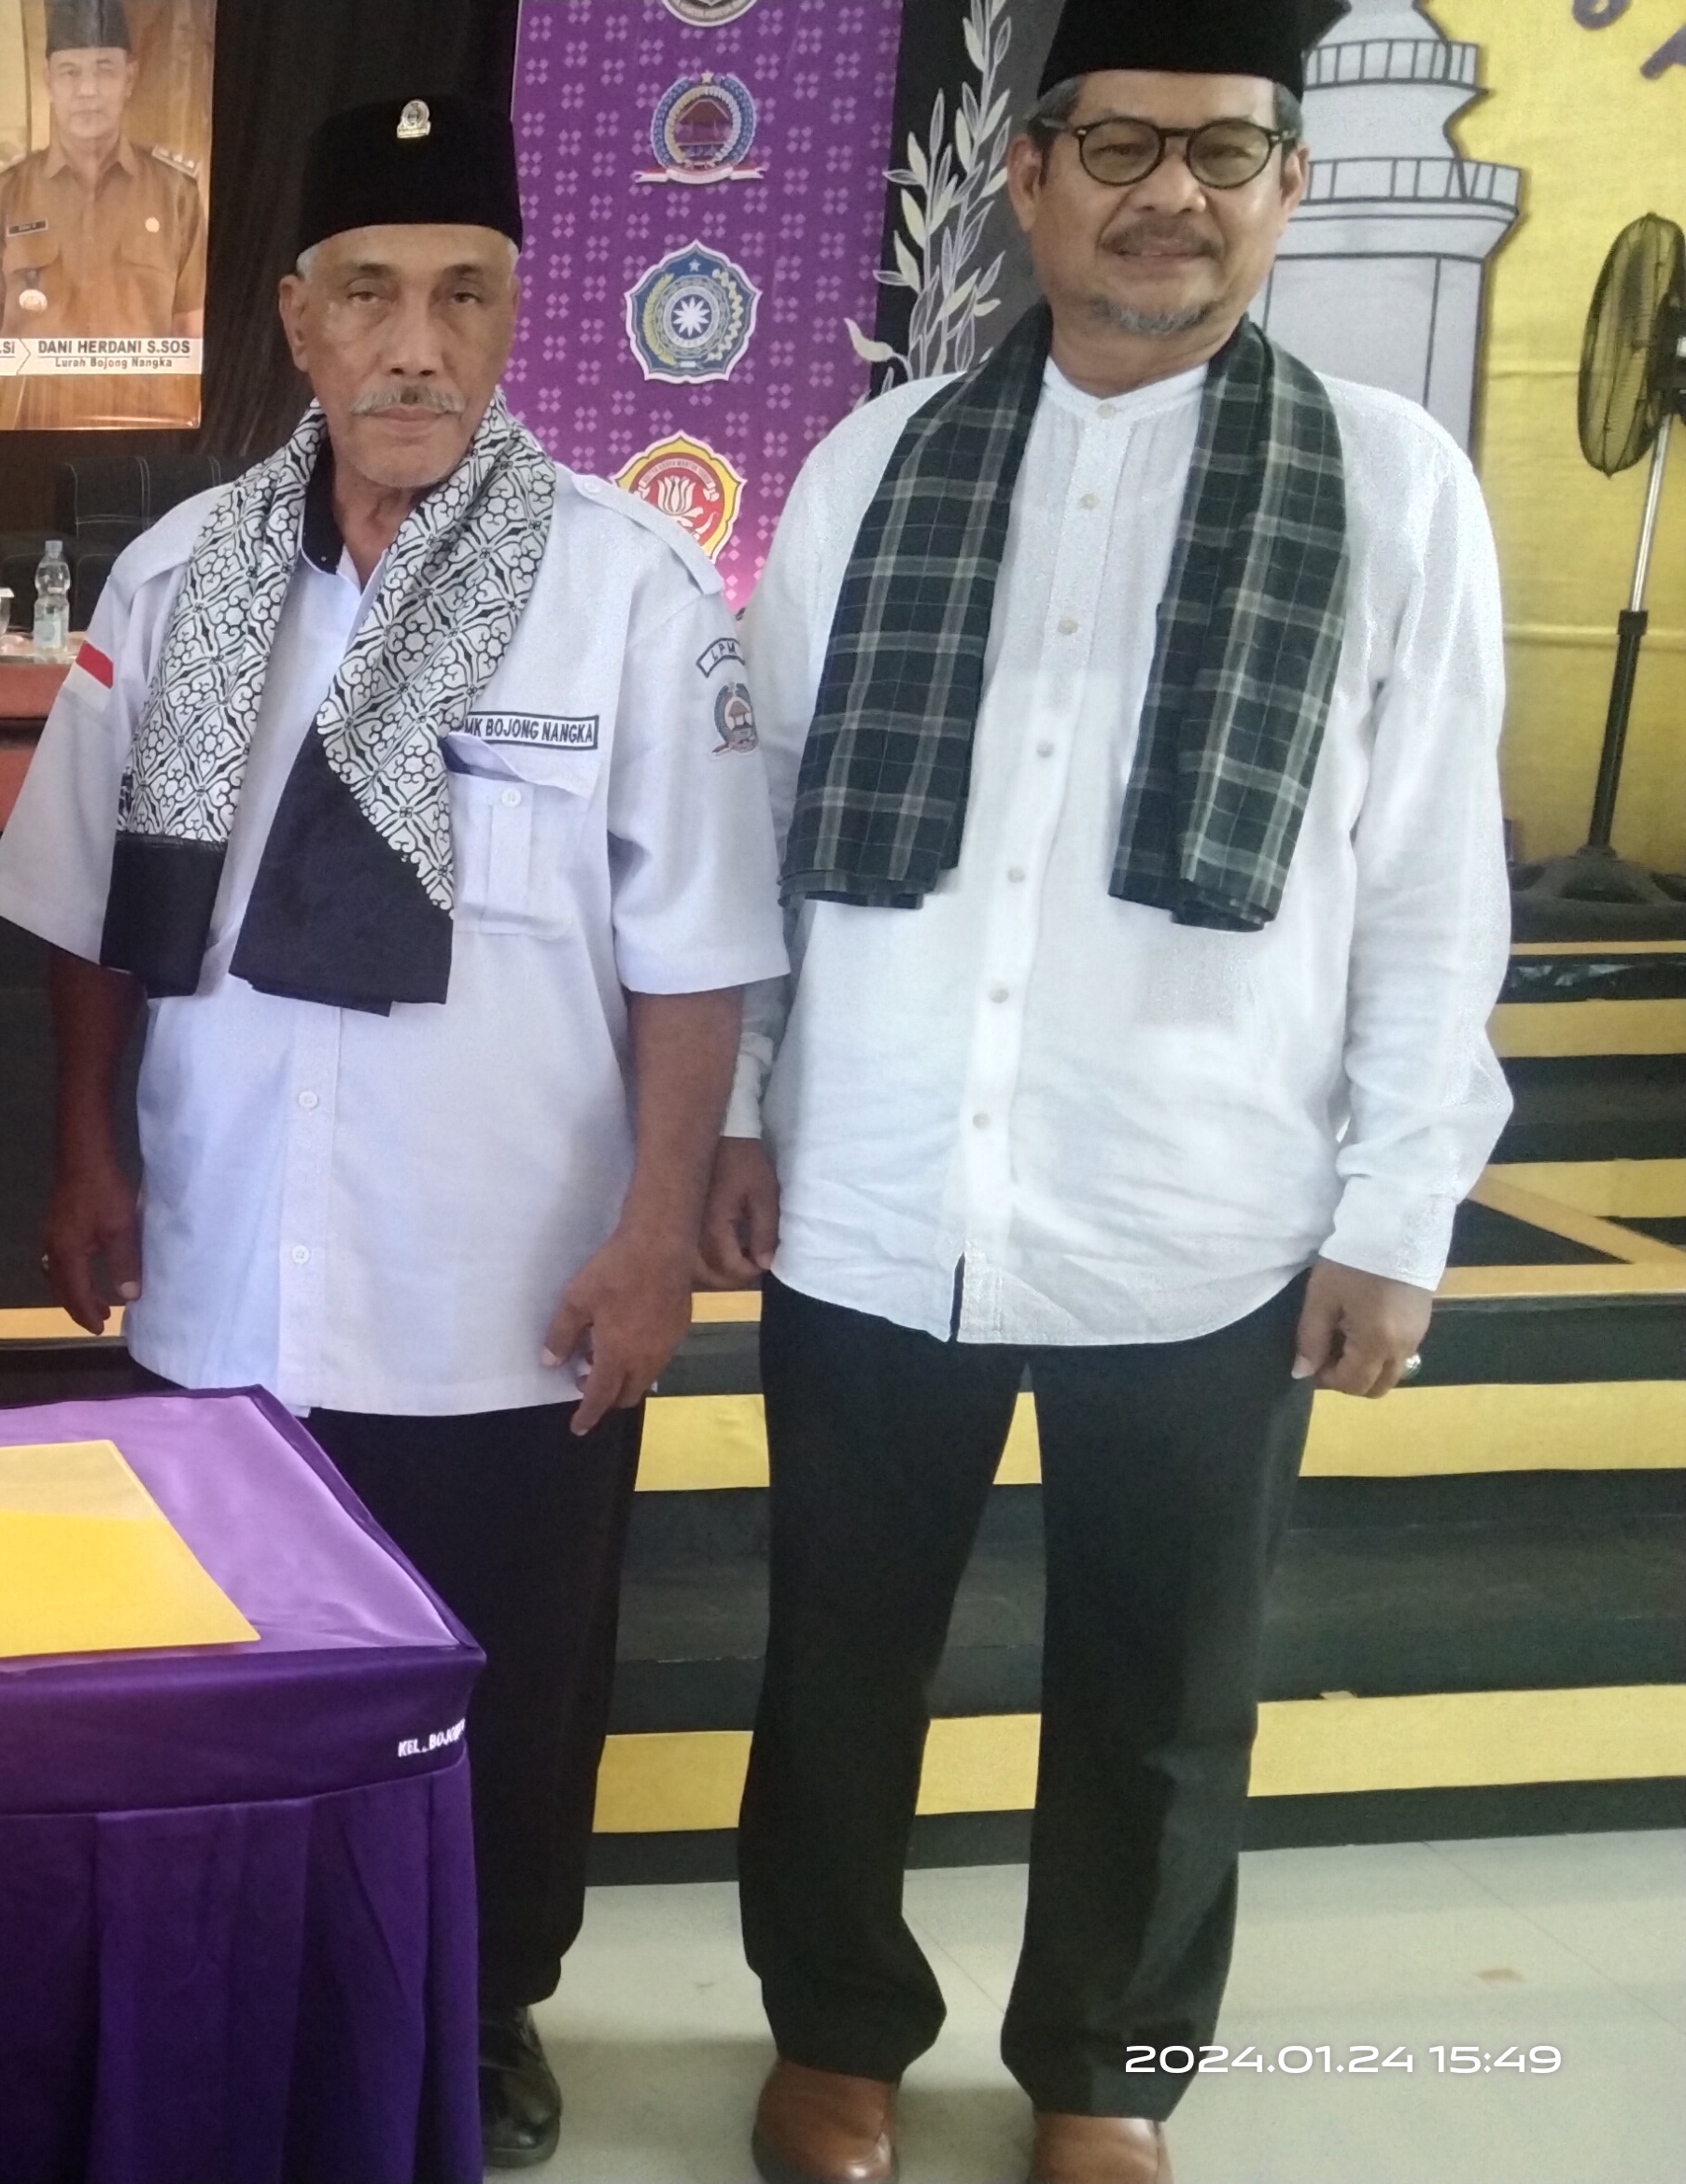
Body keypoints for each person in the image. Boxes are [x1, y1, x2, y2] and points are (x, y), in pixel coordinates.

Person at [705, 6, 1508, 2180]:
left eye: (1224, 155)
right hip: (877, 1186)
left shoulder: (1388, 485)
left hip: (1204, 1207)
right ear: (1030, 173)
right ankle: (834, 2029)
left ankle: (1107, 2070)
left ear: (1286, 190)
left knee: (1161, 1686)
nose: (1173, 196)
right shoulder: (874, 466)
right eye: (1126, 147)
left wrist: (1396, 1210)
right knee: (837, 1655)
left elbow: (1433, 878)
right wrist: (746, 1104)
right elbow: (761, 819)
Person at [0, 92, 787, 2172]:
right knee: (222, 1668)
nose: (414, 345)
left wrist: (654, 1231)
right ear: (297, 321)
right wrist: (87, 1156)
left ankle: (488, 2007)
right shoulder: (178, 580)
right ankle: (229, 1981)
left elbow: (696, 949)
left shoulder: (626, 590)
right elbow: (83, 909)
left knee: (508, 1676)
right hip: (229, 1258)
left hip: (504, 1277)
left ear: (514, 315)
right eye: (368, 295)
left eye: (461, 295)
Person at [0, 0, 205, 427]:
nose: (88, 91)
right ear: (48, 80)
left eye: (104, 70)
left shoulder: (175, 194)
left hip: (146, 424)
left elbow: (192, 334)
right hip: (32, 428)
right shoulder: (2, 195)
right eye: (70, 72)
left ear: (129, 79)